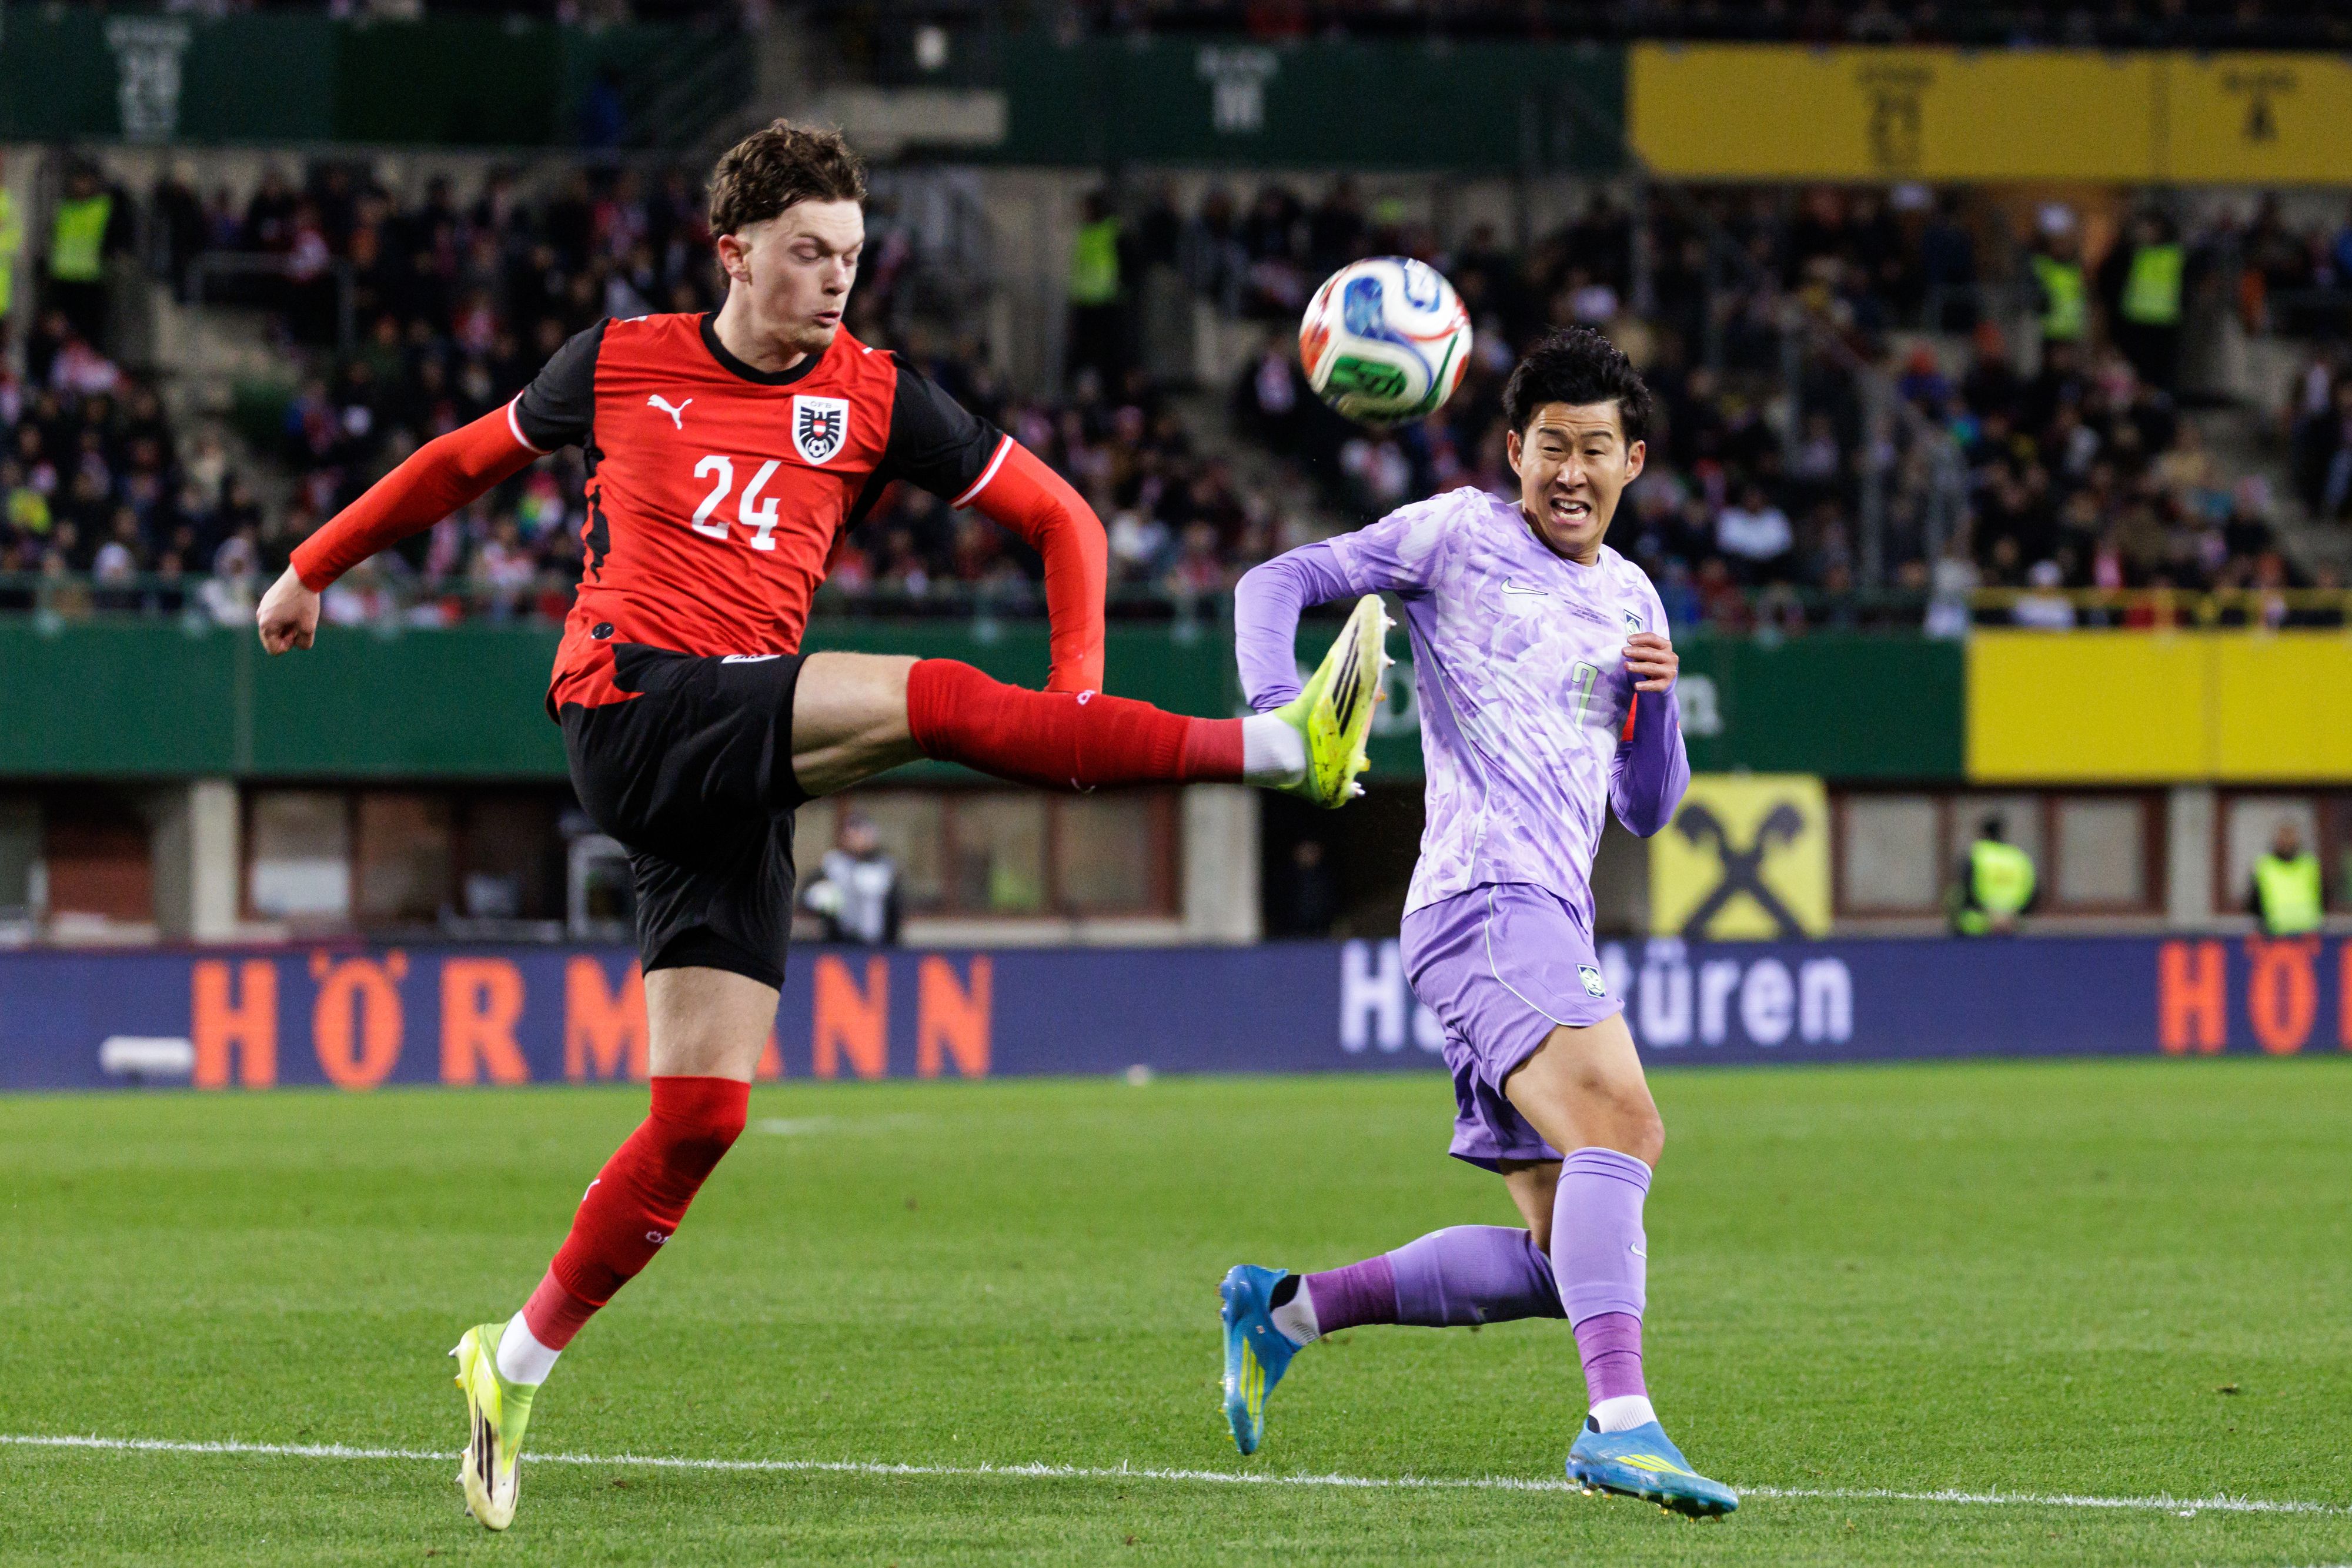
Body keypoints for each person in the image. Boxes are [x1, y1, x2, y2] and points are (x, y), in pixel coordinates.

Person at [251, 119, 1391, 1533]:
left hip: (736, 765)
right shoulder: (619, 360)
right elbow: (455, 465)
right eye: (807, 253)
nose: (835, 280)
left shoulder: (872, 394)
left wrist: (1081, 705)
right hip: (631, 705)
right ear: (732, 251)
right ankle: (1282, 747)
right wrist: (310, 568)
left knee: (700, 1119)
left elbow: (1063, 519)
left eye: (851, 255)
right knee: (933, 698)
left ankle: (514, 1363)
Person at [1213, 326, 1735, 1517]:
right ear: (1513, 449)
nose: (1569, 469)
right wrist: (1273, 713)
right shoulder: (1456, 534)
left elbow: (1647, 809)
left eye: (1592, 448)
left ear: (1632, 460)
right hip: (1484, 903)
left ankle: (1285, 1306)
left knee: (1565, 1261)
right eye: (1549, 444)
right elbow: (1273, 582)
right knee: (1625, 1121)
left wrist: (1651, 709)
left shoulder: (1633, 595)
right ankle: (1622, 1424)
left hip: (1547, 911)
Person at [802, 811, 902, 944]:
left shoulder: (885, 866)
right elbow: (808, 896)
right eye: (850, 835)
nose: (855, 839)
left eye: (860, 833)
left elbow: (896, 904)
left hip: (877, 942)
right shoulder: (832, 864)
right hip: (839, 942)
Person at [1949, 817, 2036, 935]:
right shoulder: (2019, 857)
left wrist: (1992, 915)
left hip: (1981, 923)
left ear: (1984, 833)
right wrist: (2011, 914)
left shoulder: (1977, 854)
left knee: (1953, 895)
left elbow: (1966, 888)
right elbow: (2034, 892)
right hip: (2012, 922)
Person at [2250, 819, 2323, 937]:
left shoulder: (2310, 864)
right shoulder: (2264, 866)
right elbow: (2254, 900)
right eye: (2284, 836)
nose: (2287, 841)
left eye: (2290, 836)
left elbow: (2323, 895)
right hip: (2273, 934)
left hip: (2309, 935)